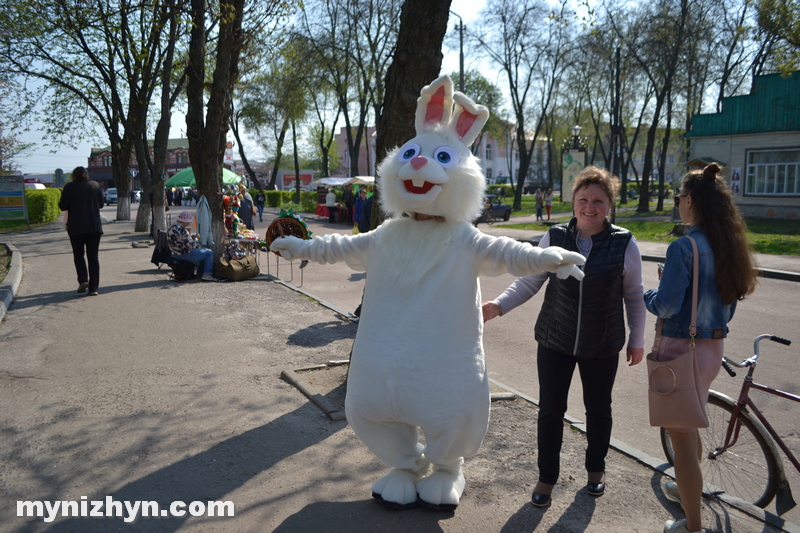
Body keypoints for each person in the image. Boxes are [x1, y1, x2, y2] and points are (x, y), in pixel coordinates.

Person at [482, 166, 645, 507]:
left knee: (598, 409)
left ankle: (595, 471)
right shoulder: (554, 238)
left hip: (602, 344)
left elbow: (633, 295)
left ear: (608, 205)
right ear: (573, 203)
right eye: (583, 199)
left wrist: (637, 339)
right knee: (550, 410)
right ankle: (547, 477)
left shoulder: (624, 243)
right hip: (555, 340)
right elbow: (529, 281)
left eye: (598, 201)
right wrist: (498, 306)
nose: (590, 207)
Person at [644, 163, 758, 533]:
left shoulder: (684, 246)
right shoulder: (728, 245)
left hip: (681, 348)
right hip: (711, 349)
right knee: (688, 425)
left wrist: (647, 293)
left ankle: (692, 526)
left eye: (679, 197)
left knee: (681, 432)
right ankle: (686, 486)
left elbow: (666, 306)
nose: (678, 203)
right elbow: (726, 300)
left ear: (690, 201)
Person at [58, 166, 104, 296]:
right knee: (93, 257)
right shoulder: (95, 185)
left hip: (76, 227)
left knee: (78, 255)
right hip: (94, 227)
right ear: (86, 175)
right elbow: (101, 204)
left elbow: (63, 206)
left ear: (74, 175)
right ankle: (94, 288)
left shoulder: (69, 187)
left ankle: (83, 280)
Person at [167, 210, 215, 281]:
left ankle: (200, 273)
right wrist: (196, 239)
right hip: (185, 254)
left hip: (174, 254)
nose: (189, 223)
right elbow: (192, 245)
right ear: (185, 221)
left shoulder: (171, 228)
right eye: (188, 221)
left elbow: (180, 240)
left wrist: (191, 237)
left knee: (203, 251)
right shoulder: (182, 230)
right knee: (208, 252)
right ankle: (206, 274)